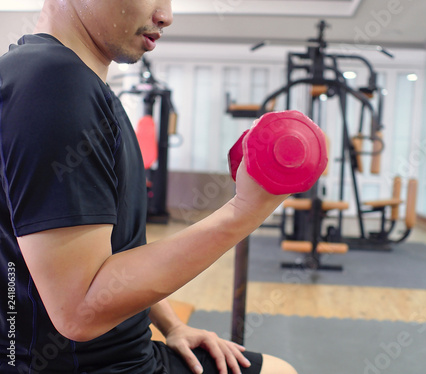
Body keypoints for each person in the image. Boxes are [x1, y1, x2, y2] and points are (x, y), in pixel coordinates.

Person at [0, 1, 299, 373]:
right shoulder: (54, 81)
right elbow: (78, 313)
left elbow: (108, 255)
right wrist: (246, 211)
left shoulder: (69, 81)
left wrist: (173, 325)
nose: (166, 15)